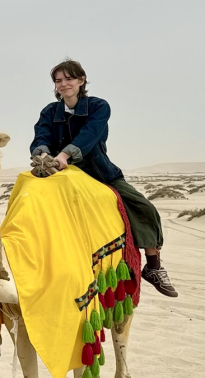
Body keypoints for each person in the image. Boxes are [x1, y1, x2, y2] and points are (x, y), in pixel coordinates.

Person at [31, 59, 177, 297]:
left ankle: (153, 266)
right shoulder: (49, 111)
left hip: (99, 172)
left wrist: (65, 154)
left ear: (81, 80)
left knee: (145, 208)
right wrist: (44, 154)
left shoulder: (99, 106)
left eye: (68, 79)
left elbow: (90, 135)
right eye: (58, 80)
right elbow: (41, 135)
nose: (63, 84)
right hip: (58, 171)